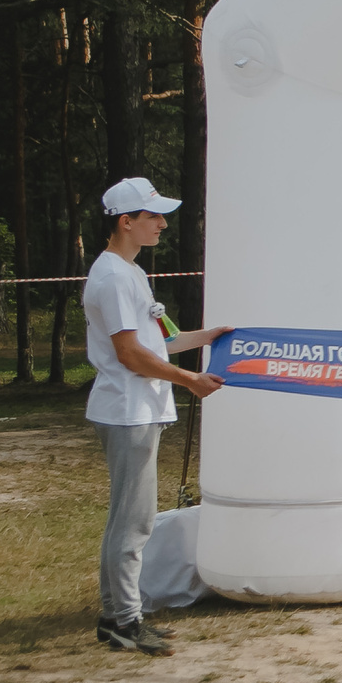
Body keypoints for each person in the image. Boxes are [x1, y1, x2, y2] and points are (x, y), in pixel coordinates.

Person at [84, 178, 228, 656]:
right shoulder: (113, 278)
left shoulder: (131, 273)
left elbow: (158, 340)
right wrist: (190, 381)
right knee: (134, 522)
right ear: (126, 222)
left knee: (130, 519)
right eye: (153, 217)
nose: (163, 224)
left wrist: (210, 337)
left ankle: (117, 617)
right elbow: (129, 354)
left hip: (137, 409)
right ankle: (124, 620)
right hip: (127, 411)